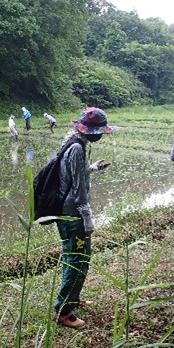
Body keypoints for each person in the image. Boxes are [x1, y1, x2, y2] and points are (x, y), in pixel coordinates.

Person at [52, 107, 113, 328]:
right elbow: (78, 188)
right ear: (90, 131)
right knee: (76, 261)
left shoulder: (72, 141)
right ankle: (63, 311)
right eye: (98, 132)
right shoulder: (77, 148)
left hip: (68, 211)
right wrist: (87, 217)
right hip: (72, 214)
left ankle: (72, 298)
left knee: (81, 256)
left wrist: (92, 168)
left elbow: (72, 172)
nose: (99, 136)